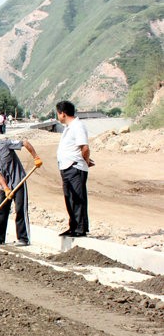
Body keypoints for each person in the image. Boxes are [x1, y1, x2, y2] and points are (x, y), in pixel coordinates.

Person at [0, 130, 42, 246]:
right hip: (6, 186)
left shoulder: (4, 144)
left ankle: (23, 239)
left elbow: (24, 143)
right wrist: (5, 188)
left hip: (19, 181)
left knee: (20, 210)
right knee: (0, 209)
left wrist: (36, 157)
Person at [55, 100, 94, 237]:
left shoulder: (78, 126)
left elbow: (84, 147)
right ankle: (73, 226)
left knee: (78, 199)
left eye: (58, 114)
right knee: (69, 198)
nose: (57, 117)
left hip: (75, 167)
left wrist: (86, 161)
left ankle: (80, 229)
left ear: (63, 114)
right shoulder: (69, 127)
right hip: (66, 167)